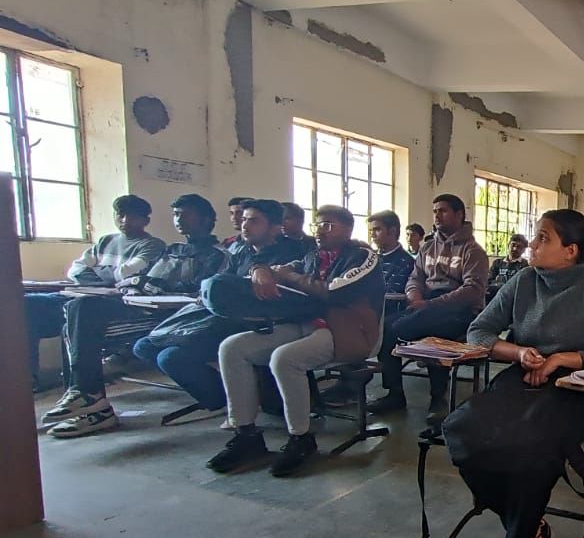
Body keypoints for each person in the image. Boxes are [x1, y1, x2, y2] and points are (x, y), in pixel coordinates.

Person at [442, 209, 584, 538]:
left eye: (543, 238)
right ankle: (528, 530)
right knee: (461, 431)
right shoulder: (525, 280)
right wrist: (519, 351)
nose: (533, 244)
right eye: (535, 236)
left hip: (578, 388)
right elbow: (479, 330)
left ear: (570, 251)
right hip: (522, 378)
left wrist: (564, 359)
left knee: (534, 451)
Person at [205, 205, 382, 477]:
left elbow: (334, 292)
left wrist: (291, 276)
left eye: (327, 225)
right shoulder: (311, 256)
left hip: (346, 330)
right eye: (317, 225)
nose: (319, 231)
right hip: (306, 324)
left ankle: (301, 438)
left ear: (347, 229)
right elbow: (274, 268)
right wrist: (260, 270)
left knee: (285, 358)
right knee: (233, 348)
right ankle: (246, 434)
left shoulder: (363, 257)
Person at [42, 194, 227, 437]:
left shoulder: (218, 254)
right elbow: (142, 278)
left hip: (174, 315)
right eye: (175, 214)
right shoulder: (172, 249)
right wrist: (137, 284)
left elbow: (199, 290)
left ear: (205, 219)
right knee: (79, 307)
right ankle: (84, 395)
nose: (177, 219)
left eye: (184, 214)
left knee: (82, 325)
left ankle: (92, 404)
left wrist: (150, 284)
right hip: (145, 304)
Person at [133, 198, 309, 414]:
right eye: (244, 220)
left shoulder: (292, 253)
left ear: (274, 228)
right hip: (219, 318)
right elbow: (223, 283)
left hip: (251, 321)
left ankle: (229, 399)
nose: (244, 225)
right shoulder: (242, 252)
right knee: (144, 346)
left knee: (169, 357)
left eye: (254, 221)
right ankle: (232, 393)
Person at [24, 194, 167, 391]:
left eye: (132, 216)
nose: (125, 221)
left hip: (111, 302)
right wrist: (108, 277)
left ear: (145, 221)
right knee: (26, 304)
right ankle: (26, 376)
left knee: (77, 310)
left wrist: (96, 273)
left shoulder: (152, 245)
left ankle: (80, 386)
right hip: (81, 293)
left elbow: (126, 273)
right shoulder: (105, 240)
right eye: (120, 215)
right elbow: (75, 270)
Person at [371, 194, 488, 419]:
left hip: (461, 311)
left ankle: (438, 399)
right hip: (426, 304)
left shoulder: (473, 251)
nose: (437, 215)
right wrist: (414, 295)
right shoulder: (427, 248)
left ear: (459, 215)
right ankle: (395, 393)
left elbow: (473, 291)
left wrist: (430, 304)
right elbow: (415, 277)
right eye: (435, 211)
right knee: (385, 328)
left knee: (433, 334)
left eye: (443, 210)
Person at [368, 210, 415, 299]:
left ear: (392, 231)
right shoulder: (369, 258)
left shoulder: (406, 262)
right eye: (371, 230)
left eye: (377, 229)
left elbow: (391, 295)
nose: (372, 235)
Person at [486, 233, 529, 303]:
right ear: (508, 245)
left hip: (513, 298)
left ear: (524, 250)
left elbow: (521, 286)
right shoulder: (497, 262)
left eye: (519, 247)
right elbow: (489, 280)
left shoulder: (525, 265)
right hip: (495, 296)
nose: (515, 249)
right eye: (513, 245)